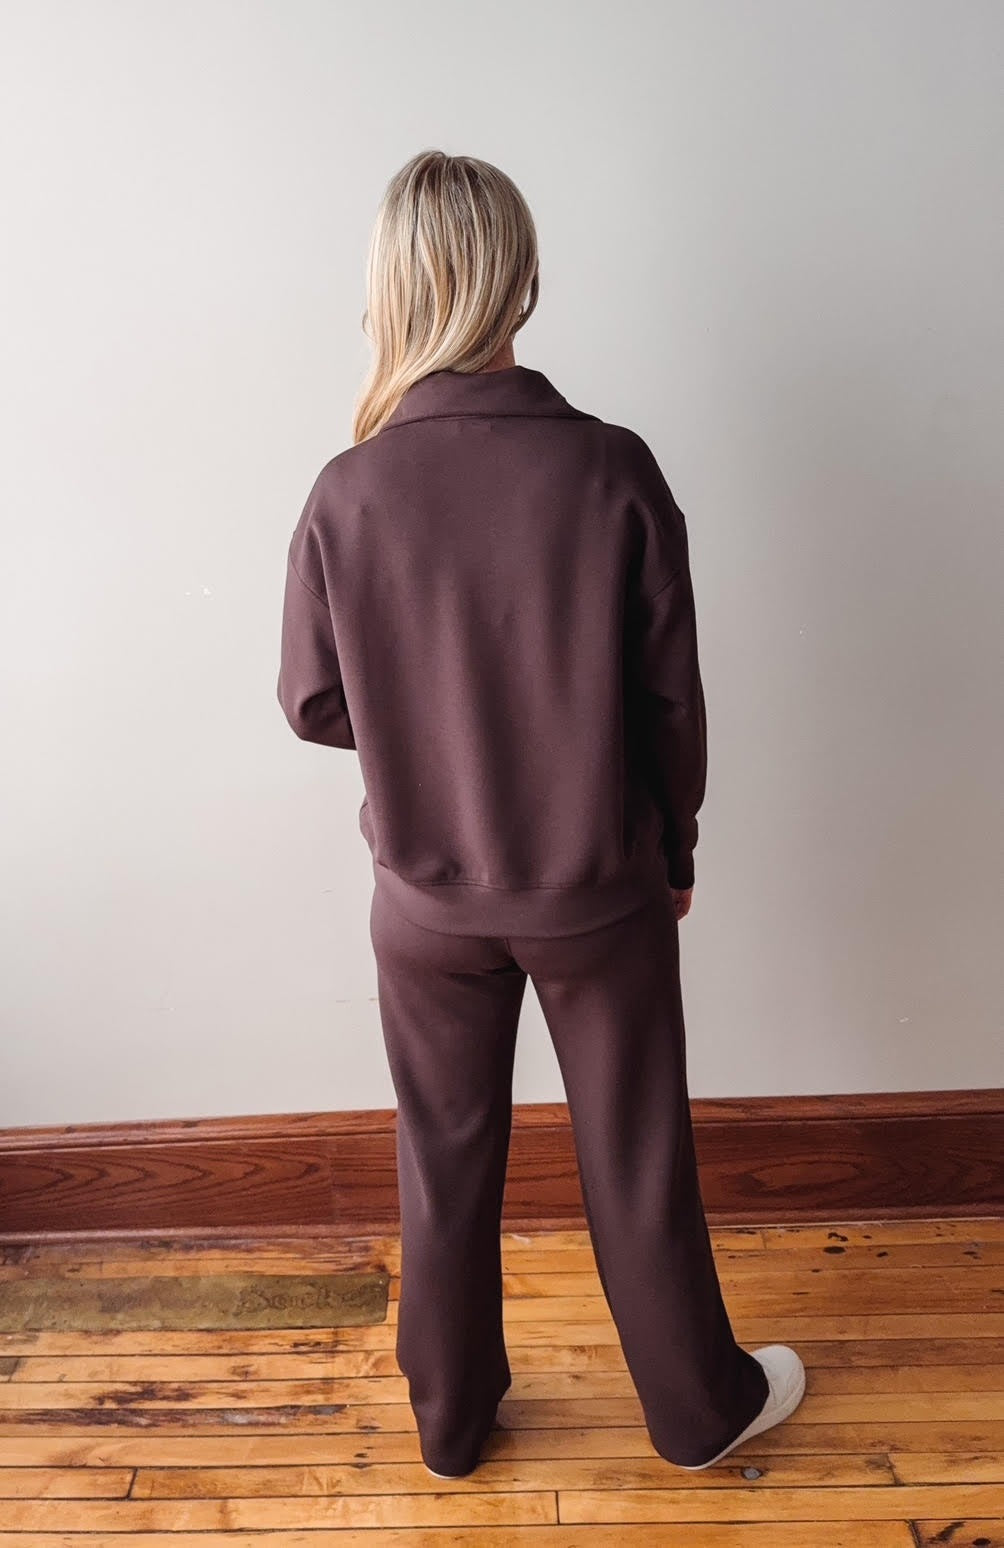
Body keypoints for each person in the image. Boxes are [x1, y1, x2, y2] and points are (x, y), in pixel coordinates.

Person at [277, 148, 805, 1480]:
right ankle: (697, 1413)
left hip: (425, 903)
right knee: (634, 1156)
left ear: (392, 293)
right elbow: (667, 704)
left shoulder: (348, 495)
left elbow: (311, 702)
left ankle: (451, 1425)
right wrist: (670, 849)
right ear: (521, 282)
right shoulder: (612, 469)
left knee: (442, 1160)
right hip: (599, 889)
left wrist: (422, 732)